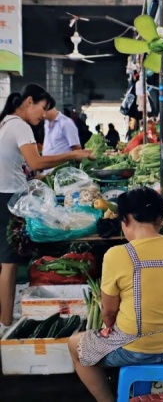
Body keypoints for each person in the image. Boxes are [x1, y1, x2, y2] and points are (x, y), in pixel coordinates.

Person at [68, 187, 163, 402]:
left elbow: (109, 312)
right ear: (160, 219)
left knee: (75, 345)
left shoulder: (117, 254)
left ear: (126, 220)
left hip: (137, 349)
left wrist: (107, 327)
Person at [0, 84, 94, 334]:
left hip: (5, 193)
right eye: (42, 108)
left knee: (4, 262)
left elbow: (21, 165)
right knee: (8, 264)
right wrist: (73, 156)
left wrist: (33, 180)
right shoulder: (20, 125)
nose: (42, 115)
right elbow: (36, 161)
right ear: (29, 101)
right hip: (8, 199)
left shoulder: (6, 122)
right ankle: (6, 326)